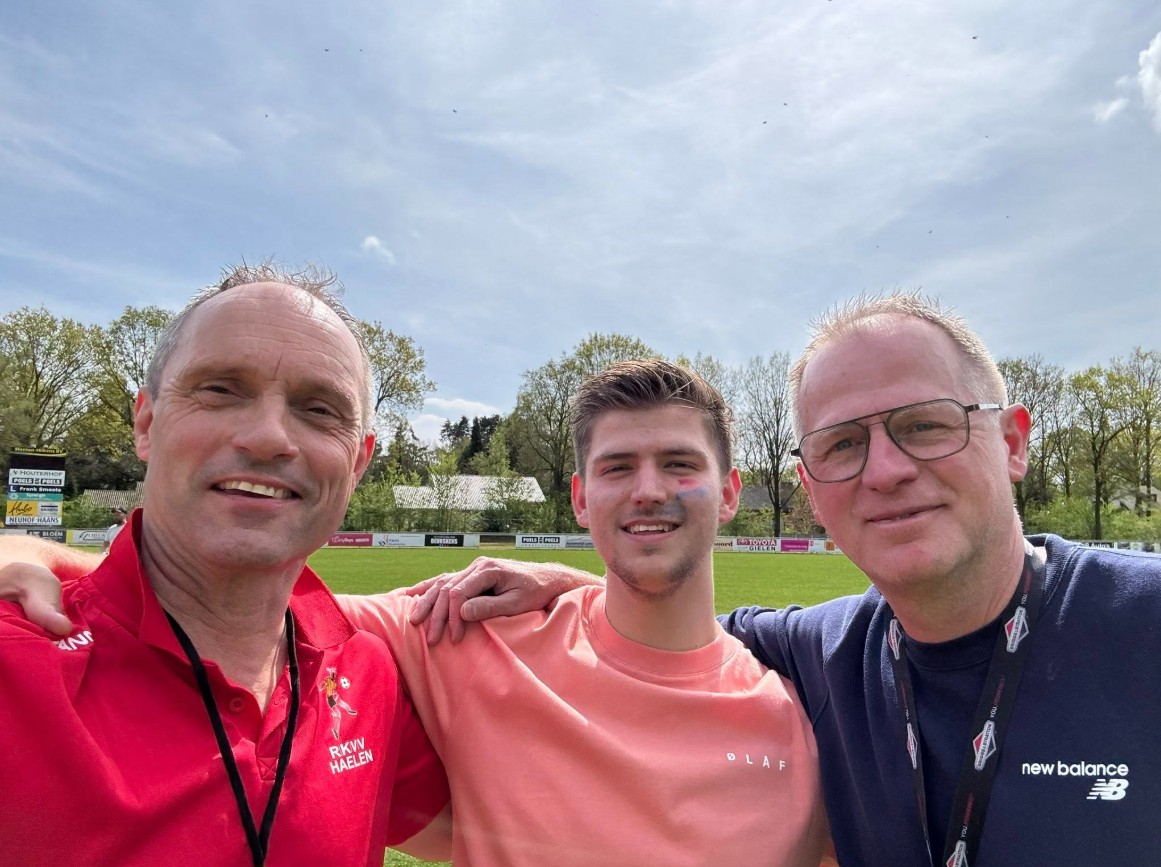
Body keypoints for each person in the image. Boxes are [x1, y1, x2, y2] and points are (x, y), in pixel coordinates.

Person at [394, 293, 1161, 866]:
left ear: (1012, 440)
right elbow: (674, 620)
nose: (886, 470)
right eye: (842, 443)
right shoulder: (817, 652)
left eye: (925, 424)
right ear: (808, 482)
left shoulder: (1143, 620)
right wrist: (575, 576)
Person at [2, 360, 832, 867]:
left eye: (678, 463)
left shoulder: (801, 719)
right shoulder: (463, 629)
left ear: (728, 490)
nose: (647, 489)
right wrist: (27, 551)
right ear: (580, 497)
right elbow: (217, 597)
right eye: (618, 467)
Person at [0, 264, 449, 866]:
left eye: (319, 409)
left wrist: (598, 586)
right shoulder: (17, 664)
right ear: (147, 423)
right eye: (220, 389)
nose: (267, 437)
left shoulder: (367, 674)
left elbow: (532, 827)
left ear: (359, 462)